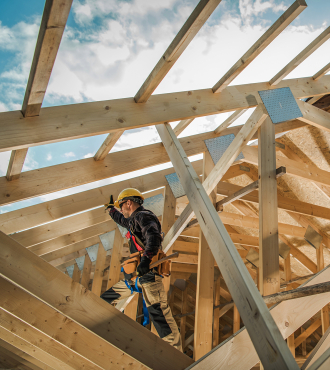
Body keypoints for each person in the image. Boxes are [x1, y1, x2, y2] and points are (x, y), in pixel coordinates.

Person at [101, 188, 182, 351]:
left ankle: (175, 351)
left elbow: (153, 237)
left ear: (129, 203)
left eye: (121, 206)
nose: (121, 210)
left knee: (158, 313)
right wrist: (111, 209)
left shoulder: (144, 216)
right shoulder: (133, 220)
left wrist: (145, 259)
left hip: (149, 274)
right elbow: (120, 219)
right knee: (108, 297)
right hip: (137, 277)